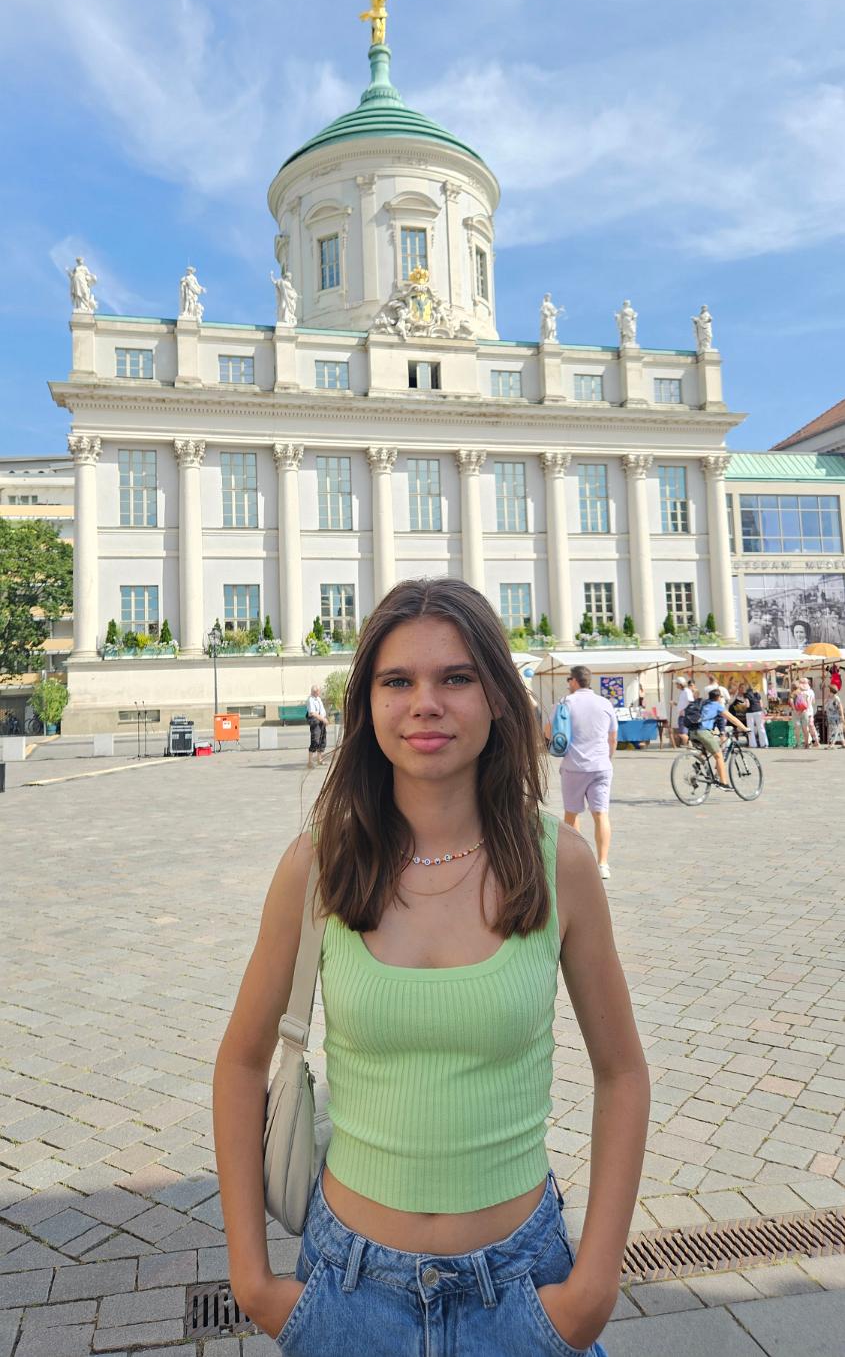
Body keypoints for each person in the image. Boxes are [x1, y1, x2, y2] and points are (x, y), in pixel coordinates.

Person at [212, 579, 649, 1355]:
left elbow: (622, 1074)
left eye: (455, 678)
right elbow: (241, 1063)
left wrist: (593, 1287)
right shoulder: (317, 866)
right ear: (366, 704)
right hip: (348, 1293)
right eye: (396, 681)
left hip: (522, 1290)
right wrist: (251, 1279)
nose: (425, 704)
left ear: (498, 698)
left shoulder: (560, 864)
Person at [559, 665, 618, 882]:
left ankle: (575, 862)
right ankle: (603, 863)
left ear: (574, 681)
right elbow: (613, 737)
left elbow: (549, 731)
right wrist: (607, 757)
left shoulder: (566, 702)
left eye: (569, 680)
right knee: (601, 814)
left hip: (574, 766)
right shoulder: (605, 703)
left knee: (571, 814)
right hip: (601, 765)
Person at [689, 689, 747, 787]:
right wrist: (745, 728)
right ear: (718, 697)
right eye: (721, 697)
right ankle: (723, 783)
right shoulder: (717, 706)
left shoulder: (704, 703)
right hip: (703, 732)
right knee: (719, 755)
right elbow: (732, 719)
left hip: (692, 732)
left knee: (710, 747)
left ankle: (698, 763)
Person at [792, 678, 820, 748]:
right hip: (810, 711)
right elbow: (813, 702)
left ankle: (808, 743)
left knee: (805, 728)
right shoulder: (811, 691)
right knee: (811, 727)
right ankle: (815, 741)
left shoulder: (799, 692)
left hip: (803, 712)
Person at [306, 683, 328, 768]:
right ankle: (310, 762)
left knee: (322, 740)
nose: (320, 693)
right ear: (315, 692)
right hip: (315, 722)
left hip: (321, 721)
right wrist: (323, 719)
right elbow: (313, 713)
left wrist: (324, 719)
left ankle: (319, 760)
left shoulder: (318, 698)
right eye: (319, 691)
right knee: (315, 741)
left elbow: (322, 710)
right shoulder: (310, 700)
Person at [744, 682, 769, 749]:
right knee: (761, 727)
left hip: (750, 712)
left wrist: (743, 704)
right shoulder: (757, 694)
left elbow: (747, 705)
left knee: (750, 728)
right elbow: (761, 704)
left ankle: (753, 744)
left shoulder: (746, 694)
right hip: (759, 711)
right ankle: (764, 744)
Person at [674, 675, 695, 747]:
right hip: (683, 715)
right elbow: (683, 704)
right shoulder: (684, 691)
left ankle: (690, 746)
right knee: (683, 733)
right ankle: (690, 746)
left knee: (682, 733)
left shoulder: (686, 691)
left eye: (677, 684)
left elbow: (691, 702)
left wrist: (686, 711)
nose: (676, 685)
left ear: (680, 684)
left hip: (684, 715)